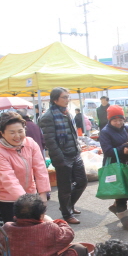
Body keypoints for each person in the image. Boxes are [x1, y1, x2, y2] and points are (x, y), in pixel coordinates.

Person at [3, 194, 88, 256]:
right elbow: (69, 234)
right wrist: (53, 221)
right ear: (41, 215)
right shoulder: (48, 228)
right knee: (79, 249)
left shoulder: (6, 229)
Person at [39, 87, 88, 224]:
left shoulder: (67, 113)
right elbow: (50, 141)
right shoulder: (48, 116)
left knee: (82, 182)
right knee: (65, 187)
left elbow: (73, 134)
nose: (67, 100)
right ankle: (67, 214)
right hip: (62, 156)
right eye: (64, 97)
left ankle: (68, 205)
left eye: (68, 97)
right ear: (55, 99)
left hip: (75, 153)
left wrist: (78, 147)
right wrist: (60, 158)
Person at [0, 112, 51, 222]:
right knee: (14, 229)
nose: (18, 136)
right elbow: (8, 179)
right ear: (2, 133)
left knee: (34, 226)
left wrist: (43, 193)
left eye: (20, 131)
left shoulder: (30, 143)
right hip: (6, 196)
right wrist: (28, 203)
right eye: (12, 132)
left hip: (29, 192)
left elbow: (40, 168)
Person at [99, 105, 128, 230]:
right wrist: (123, 148)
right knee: (121, 194)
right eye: (115, 120)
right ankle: (126, 221)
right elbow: (108, 151)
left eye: (120, 119)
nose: (118, 122)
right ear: (110, 120)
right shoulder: (105, 132)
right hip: (115, 167)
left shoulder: (127, 128)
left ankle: (116, 207)